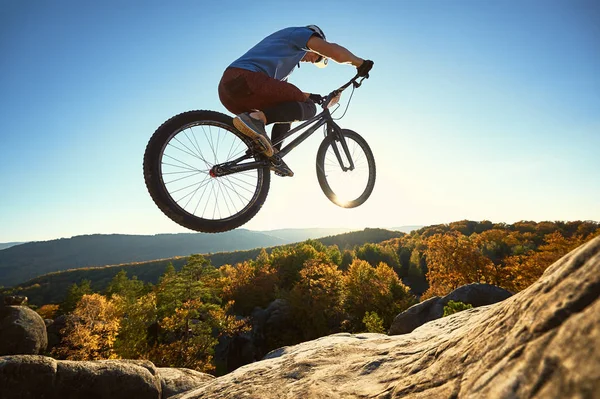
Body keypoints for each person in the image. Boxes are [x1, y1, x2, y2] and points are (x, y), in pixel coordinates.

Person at [218, 25, 373, 176]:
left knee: (288, 110)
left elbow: (283, 96)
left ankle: (272, 152)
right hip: (244, 78)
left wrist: (315, 96)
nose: (314, 60)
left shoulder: (285, 62)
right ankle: (257, 119)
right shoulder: (300, 33)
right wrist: (359, 63)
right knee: (310, 108)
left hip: (231, 92)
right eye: (318, 56)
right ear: (315, 40)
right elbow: (334, 52)